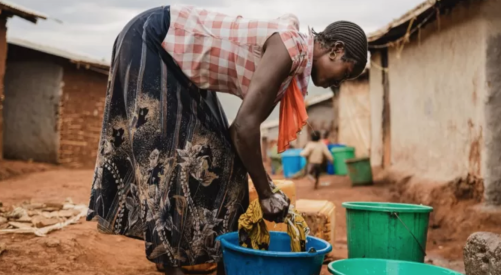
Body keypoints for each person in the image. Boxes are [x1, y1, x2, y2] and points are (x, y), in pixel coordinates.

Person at [86, 5, 367, 275]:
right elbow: (244, 128)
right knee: (166, 158)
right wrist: (266, 194)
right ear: (336, 50)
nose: (337, 83)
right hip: (156, 40)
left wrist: (266, 185)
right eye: (345, 73)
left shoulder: (291, 73)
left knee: (224, 161)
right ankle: (170, 263)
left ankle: (226, 262)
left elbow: (238, 135)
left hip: (182, 67)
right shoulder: (290, 49)